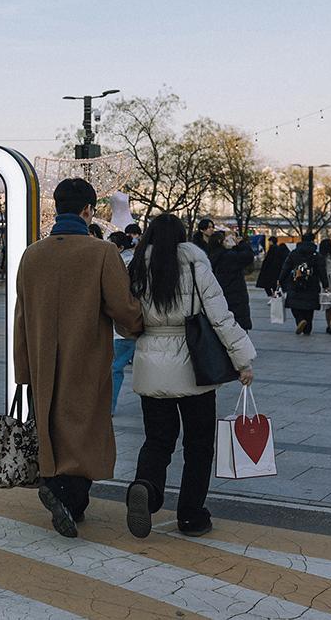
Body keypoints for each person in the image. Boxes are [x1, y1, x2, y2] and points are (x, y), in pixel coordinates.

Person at [14, 179, 143, 537]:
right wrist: (139, 324)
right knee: (84, 427)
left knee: (51, 423)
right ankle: (70, 500)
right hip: (85, 356)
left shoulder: (32, 254)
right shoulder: (101, 253)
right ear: (88, 210)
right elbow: (123, 308)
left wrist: (22, 368)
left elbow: (21, 315)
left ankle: (56, 487)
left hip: (41, 359)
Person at [123, 214, 255, 539]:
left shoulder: (138, 267)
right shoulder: (197, 265)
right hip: (195, 364)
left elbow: (127, 316)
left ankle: (146, 488)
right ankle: (191, 516)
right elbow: (220, 317)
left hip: (151, 362)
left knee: (157, 440)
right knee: (198, 445)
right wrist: (242, 360)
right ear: (184, 237)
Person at [108, 232, 136, 414]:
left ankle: (109, 406)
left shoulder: (121, 265)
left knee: (115, 368)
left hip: (123, 327)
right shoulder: (134, 262)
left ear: (120, 247)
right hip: (130, 326)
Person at [280, 233, 327, 335]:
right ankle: (307, 328)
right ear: (313, 241)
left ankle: (300, 320)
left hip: (295, 283)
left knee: (295, 305)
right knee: (309, 308)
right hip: (312, 284)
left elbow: (286, 267)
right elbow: (322, 270)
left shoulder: (294, 253)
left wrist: (280, 280)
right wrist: (325, 284)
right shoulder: (316, 255)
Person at [206, 230, 254, 330]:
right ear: (220, 242)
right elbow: (248, 256)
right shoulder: (228, 256)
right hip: (235, 297)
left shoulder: (213, 255)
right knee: (238, 330)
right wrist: (241, 243)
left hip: (221, 296)